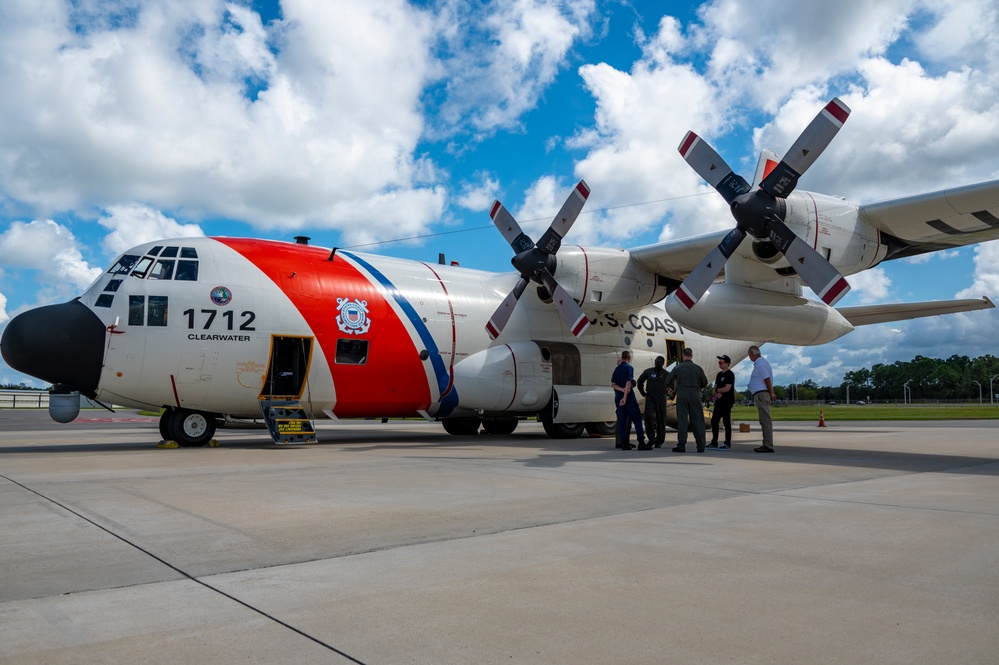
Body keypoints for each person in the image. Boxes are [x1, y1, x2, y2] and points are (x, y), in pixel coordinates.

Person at [664, 347, 708, 453]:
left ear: (683, 356)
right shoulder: (698, 368)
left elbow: (668, 380)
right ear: (691, 356)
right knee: (698, 421)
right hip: (695, 394)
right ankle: (701, 446)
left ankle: (681, 445)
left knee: (682, 421)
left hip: (682, 394)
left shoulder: (678, 368)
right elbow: (704, 383)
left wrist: (670, 389)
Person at [611, 350, 648, 450]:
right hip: (628, 399)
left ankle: (624, 443)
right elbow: (628, 383)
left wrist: (621, 390)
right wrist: (625, 396)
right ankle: (641, 442)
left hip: (618, 398)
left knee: (622, 421)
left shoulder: (617, 369)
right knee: (637, 420)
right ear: (629, 358)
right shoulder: (629, 368)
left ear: (622, 358)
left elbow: (613, 384)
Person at [747, 345, 776, 453]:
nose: (749, 357)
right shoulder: (762, 362)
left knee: (765, 420)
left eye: (749, 355)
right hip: (762, 394)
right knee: (764, 420)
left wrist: (771, 392)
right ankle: (767, 443)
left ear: (752, 354)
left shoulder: (759, 363)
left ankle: (768, 445)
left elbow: (766, 379)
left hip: (762, 394)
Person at [637, 355, 668, 448]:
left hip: (661, 399)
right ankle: (651, 439)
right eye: (656, 361)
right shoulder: (648, 371)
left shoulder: (666, 374)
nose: (657, 363)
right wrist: (643, 393)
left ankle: (659, 441)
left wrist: (671, 391)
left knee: (661, 419)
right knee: (648, 417)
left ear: (663, 363)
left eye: (659, 362)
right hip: (650, 397)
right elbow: (640, 381)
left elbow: (674, 384)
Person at [708, 355, 736, 449]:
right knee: (714, 420)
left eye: (722, 362)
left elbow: (727, 388)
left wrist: (718, 391)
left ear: (727, 364)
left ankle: (727, 443)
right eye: (719, 362)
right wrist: (716, 393)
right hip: (719, 401)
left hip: (727, 401)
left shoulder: (730, 374)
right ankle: (714, 442)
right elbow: (714, 388)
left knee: (726, 421)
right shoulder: (719, 374)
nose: (720, 364)